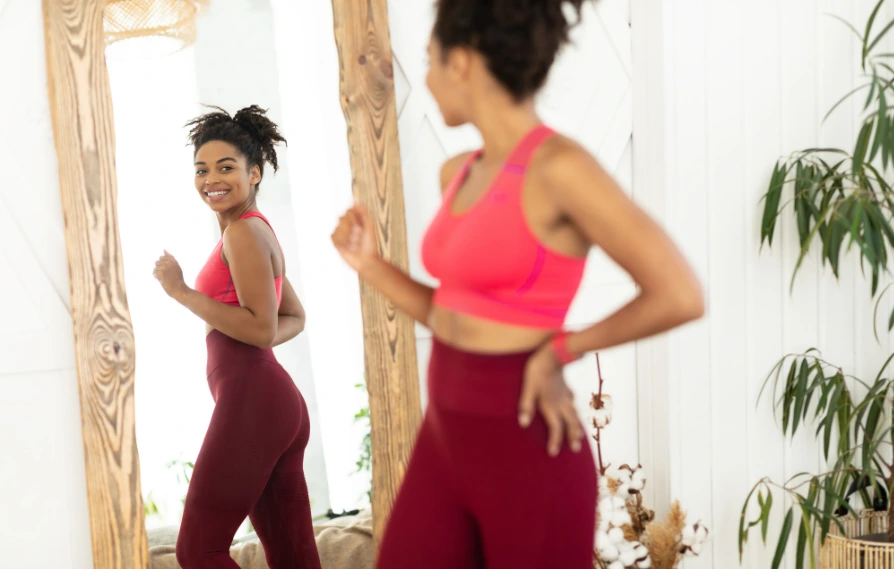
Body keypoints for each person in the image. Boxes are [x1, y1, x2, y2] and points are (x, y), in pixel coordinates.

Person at [330, 0, 705, 567]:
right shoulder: (458, 172)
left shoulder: (561, 168)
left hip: (528, 447)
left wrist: (562, 347)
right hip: (445, 441)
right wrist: (370, 265)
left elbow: (679, 293)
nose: (425, 80)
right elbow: (451, 313)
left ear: (462, 64)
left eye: (431, 62)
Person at [152, 105, 321, 569]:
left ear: (255, 172)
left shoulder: (243, 235)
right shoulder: (253, 231)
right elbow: (295, 317)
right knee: (293, 556)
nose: (211, 179)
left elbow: (263, 327)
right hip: (272, 400)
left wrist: (182, 292)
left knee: (198, 550)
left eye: (226, 167)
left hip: (255, 399)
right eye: (201, 169)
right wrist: (254, 349)